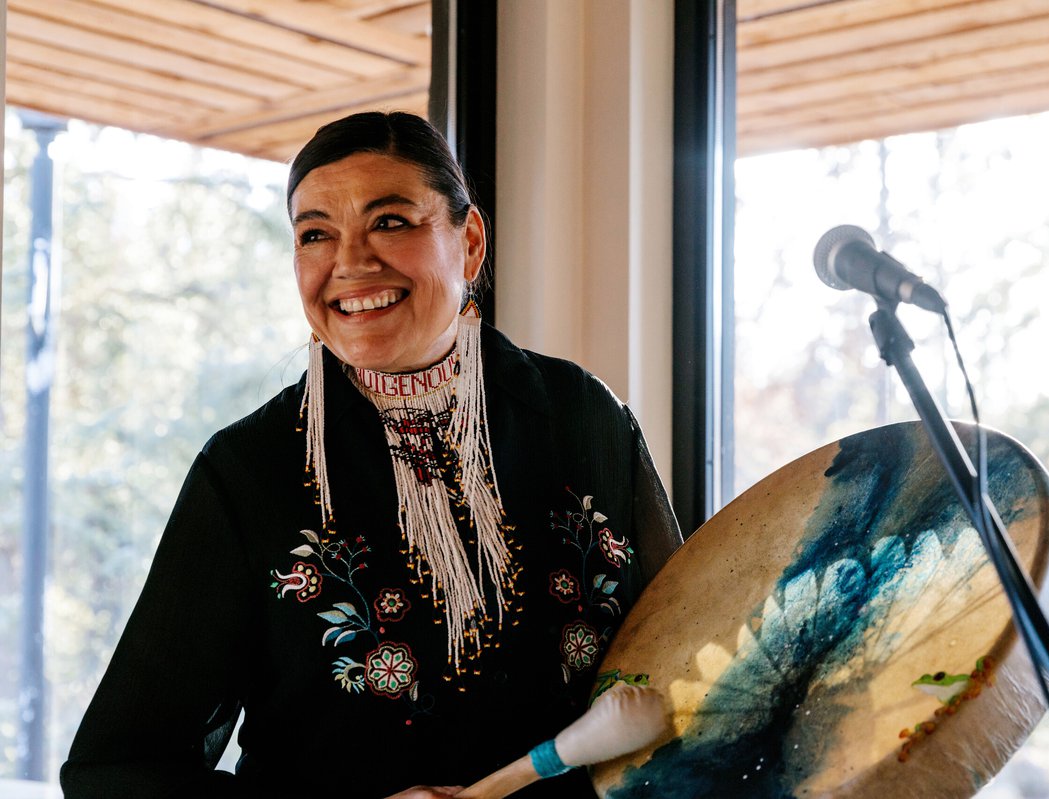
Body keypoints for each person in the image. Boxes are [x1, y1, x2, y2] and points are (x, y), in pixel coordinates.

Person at [60, 111, 682, 799]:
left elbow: (691, 662)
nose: (351, 263)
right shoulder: (251, 470)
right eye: (316, 233)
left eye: (391, 221)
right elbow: (115, 771)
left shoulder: (583, 418)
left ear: (469, 242)